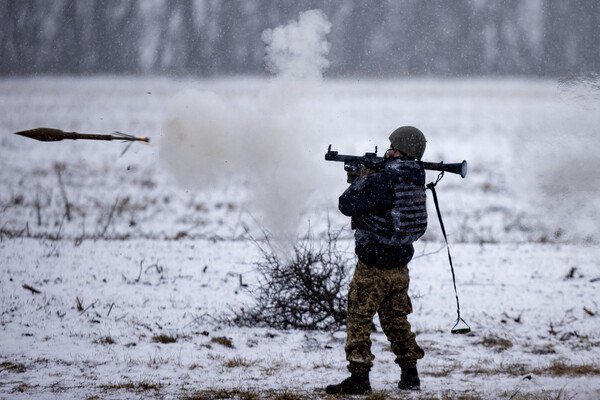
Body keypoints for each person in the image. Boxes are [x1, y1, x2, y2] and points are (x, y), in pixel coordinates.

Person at [325, 126, 428, 395]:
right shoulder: (414, 177)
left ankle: (359, 378)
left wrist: (362, 178)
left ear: (401, 151)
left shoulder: (381, 180)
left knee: (358, 319)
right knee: (396, 320)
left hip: (373, 267)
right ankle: (410, 374)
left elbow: (346, 204)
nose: (389, 150)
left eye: (393, 147)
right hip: (400, 266)